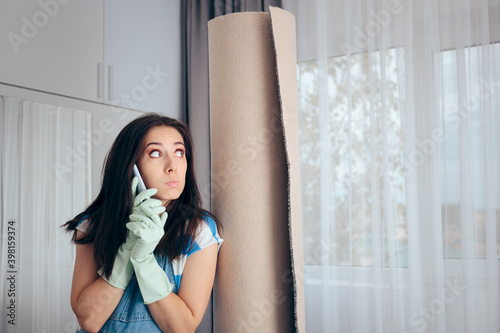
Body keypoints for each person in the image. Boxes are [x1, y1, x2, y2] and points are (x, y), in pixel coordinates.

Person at [63, 113, 223, 332]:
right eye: (155, 153)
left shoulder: (198, 232)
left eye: (179, 152)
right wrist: (126, 253)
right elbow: (89, 320)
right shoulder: (93, 224)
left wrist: (145, 262)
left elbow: (181, 328)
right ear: (131, 165)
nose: (172, 166)